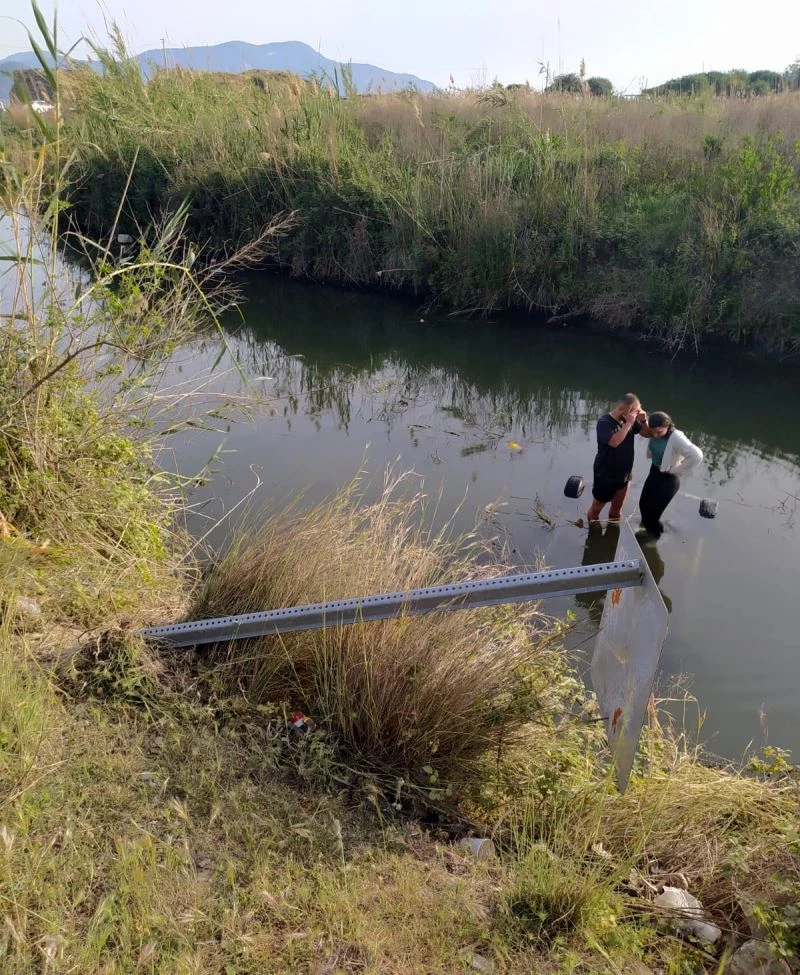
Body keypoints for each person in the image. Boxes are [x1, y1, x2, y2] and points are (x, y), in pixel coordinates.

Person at [638, 411, 703, 538]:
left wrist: (676, 469)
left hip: (668, 480)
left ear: (668, 426)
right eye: (653, 432)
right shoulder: (653, 431)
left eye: (659, 432)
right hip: (655, 472)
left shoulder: (676, 437)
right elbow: (645, 430)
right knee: (643, 505)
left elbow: (697, 455)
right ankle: (646, 529)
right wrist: (642, 420)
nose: (655, 436)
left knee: (653, 514)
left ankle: (653, 538)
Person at [587, 393, 649, 524]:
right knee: (596, 510)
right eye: (633, 412)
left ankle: (613, 536)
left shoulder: (629, 421)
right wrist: (629, 423)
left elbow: (646, 433)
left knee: (616, 510)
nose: (634, 415)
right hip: (605, 475)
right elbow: (614, 442)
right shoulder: (604, 423)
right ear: (621, 408)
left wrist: (643, 420)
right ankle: (593, 535)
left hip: (625, 475)